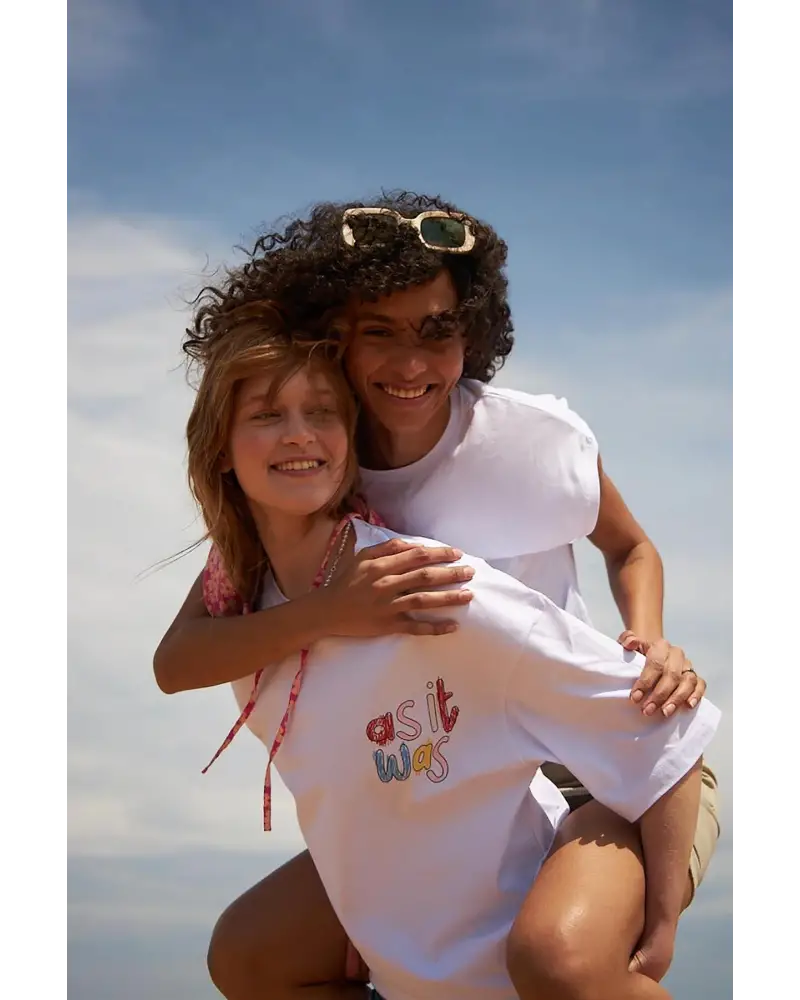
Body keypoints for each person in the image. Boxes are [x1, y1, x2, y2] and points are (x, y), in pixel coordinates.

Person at [154, 193, 720, 999]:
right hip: (453, 775)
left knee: (562, 963)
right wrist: (328, 613)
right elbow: (180, 658)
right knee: (249, 957)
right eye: (379, 332)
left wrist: (649, 638)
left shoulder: (529, 444)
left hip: (599, 756)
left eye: (437, 331)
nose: (410, 363)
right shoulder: (310, 484)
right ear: (336, 338)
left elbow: (630, 547)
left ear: (472, 334)